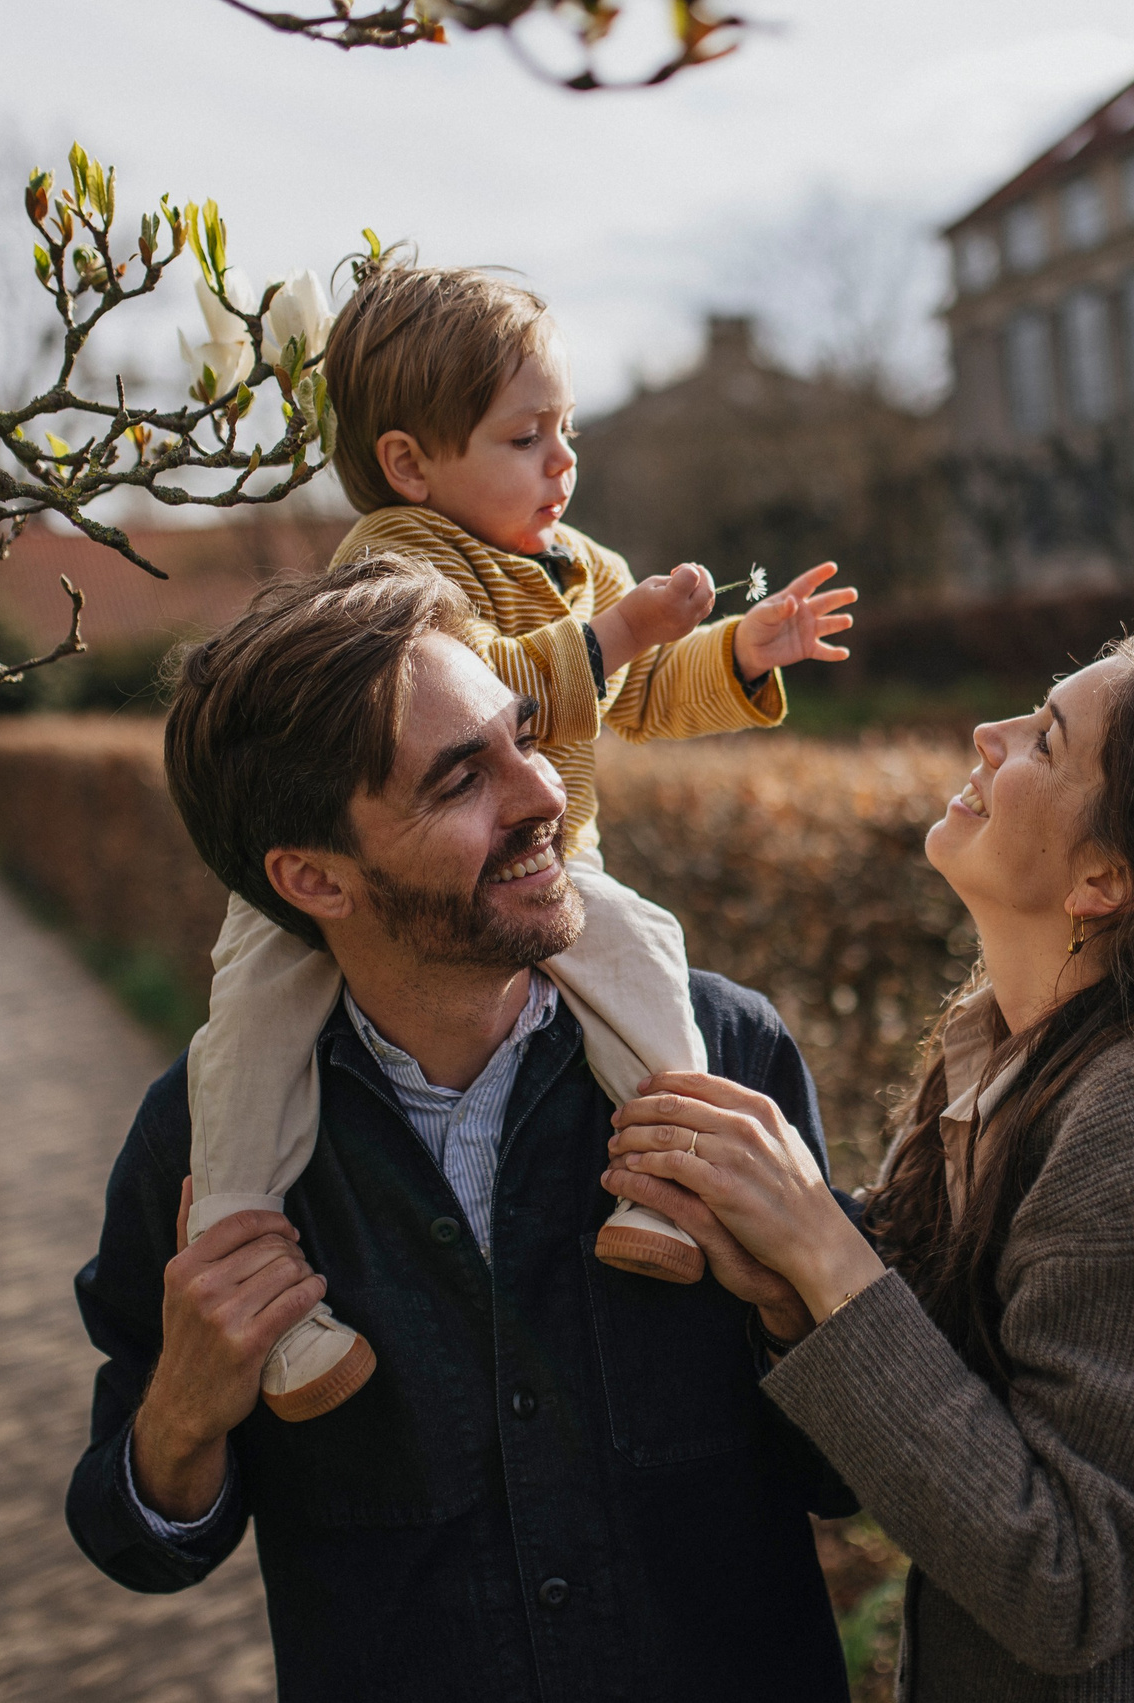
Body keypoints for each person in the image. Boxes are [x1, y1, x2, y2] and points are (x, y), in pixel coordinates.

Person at [600, 619, 1134, 1701]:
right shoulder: (1005, 1054)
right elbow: (933, 1428)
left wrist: (828, 1251)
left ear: (1104, 875)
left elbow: (1069, 1584)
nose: (987, 734)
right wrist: (786, 1292)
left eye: (1044, 739)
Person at [64, 558, 852, 1701]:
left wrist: (797, 1305)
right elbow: (133, 1537)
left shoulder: (725, 1055)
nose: (543, 794)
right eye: (458, 779)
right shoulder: (200, 1143)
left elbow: (846, 1478)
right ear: (313, 879)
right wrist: (182, 1411)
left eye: (524, 737)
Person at [186, 252, 860, 1418]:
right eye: (522, 436)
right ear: (409, 461)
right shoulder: (393, 564)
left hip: (540, 864)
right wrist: (611, 635)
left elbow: (639, 697)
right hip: (347, 862)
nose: (561, 462)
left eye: (568, 431)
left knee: (646, 953)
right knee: (244, 1039)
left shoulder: (572, 563)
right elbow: (444, 705)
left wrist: (739, 652)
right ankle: (262, 1288)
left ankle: (664, 1183)